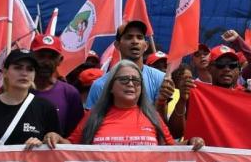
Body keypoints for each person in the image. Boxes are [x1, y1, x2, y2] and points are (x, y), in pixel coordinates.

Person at [46, 60, 203, 149]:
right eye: (124, 79)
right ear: (111, 87)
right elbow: (71, 145)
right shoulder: (94, 115)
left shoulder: (152, 116)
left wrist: (191, 142)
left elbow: (171, 148)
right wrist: (56, 138)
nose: (130, 84)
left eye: (136, 80)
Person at [0, 49, 60, 147]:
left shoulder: (46, 108)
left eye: (30, 69)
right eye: (18, 68)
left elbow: (61, 150)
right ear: (5, 72)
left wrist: (48, 140)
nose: (24, 73)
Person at [86, 20, 172, 111]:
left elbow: (163, 122)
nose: (135, 41)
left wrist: (161, 102)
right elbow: (92, 122)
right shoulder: (101, 85)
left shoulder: (160, 79)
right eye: (128, 37)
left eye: (139, 37)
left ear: (146, 45)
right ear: (117, 45)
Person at [30, 33, 84, 136]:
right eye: (41, 56)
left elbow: (75, 136)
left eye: (52, 57)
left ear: (60, 60)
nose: (46, 62)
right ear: (30, 57)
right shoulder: (18, 90)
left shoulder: (70, 93)